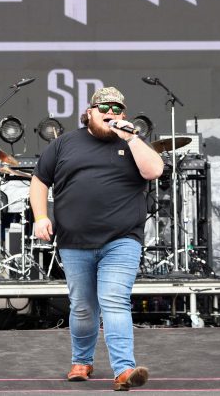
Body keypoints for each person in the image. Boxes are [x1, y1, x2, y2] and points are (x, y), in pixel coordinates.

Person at [31, 86, 164, 391]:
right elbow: (39, 180)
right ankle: (81, 361)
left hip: (121, 239)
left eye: (117, 109)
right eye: (104, 108)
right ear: (89, 113)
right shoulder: (64, 144)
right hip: (74, 241)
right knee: (82, 307)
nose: (110, 113)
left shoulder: (132, 143)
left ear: (124, 115)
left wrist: (131, 138)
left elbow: (155, 170)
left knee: (114, 301)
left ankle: (124, 370)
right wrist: (40, 216)